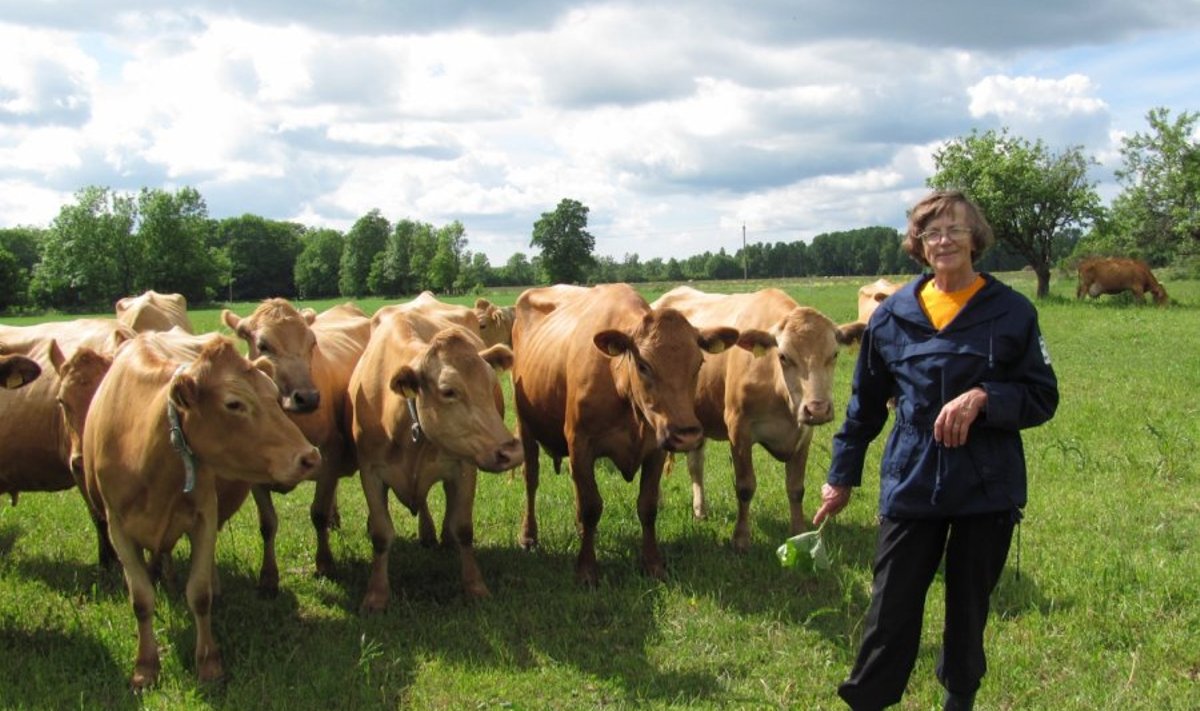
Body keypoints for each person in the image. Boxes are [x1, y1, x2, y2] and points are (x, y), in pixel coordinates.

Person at [813, 190, 1059, 710]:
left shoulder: (1012, 311)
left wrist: (986, 398)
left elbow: (1042, 395)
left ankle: (959, 697)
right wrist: (841, 477)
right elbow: (864, 407)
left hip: (986, 483)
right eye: (931, 232)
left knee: (968, 608)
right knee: (890, 606)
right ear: (918, 245)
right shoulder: (892, 315)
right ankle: (869, 701)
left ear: (976, 239)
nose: (943, 239)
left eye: (954, 229)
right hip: (913, 476)